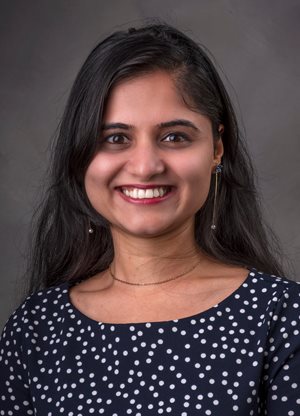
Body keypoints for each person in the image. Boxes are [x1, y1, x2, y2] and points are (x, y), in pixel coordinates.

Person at [0, 23, 299, 415]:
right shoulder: (36, 328)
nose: (144, 166)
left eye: (174, 137)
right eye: (116, 138)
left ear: (217, 148)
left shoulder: (282, 317)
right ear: (80, 154)